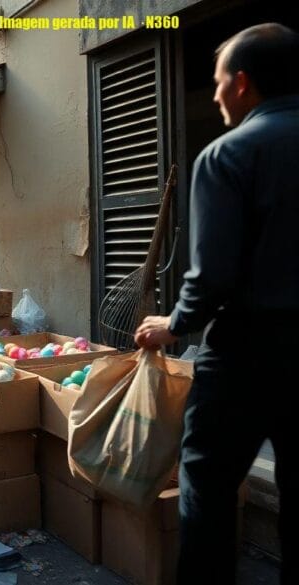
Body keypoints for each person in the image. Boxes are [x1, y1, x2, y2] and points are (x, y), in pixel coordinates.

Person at [134, 23, 299, 584]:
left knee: (205, 484)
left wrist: (175, 324)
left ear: (244, 83)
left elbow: (212, 277)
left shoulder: (228, 155)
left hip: (246, 355)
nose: (215, 94)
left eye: (218, 81)